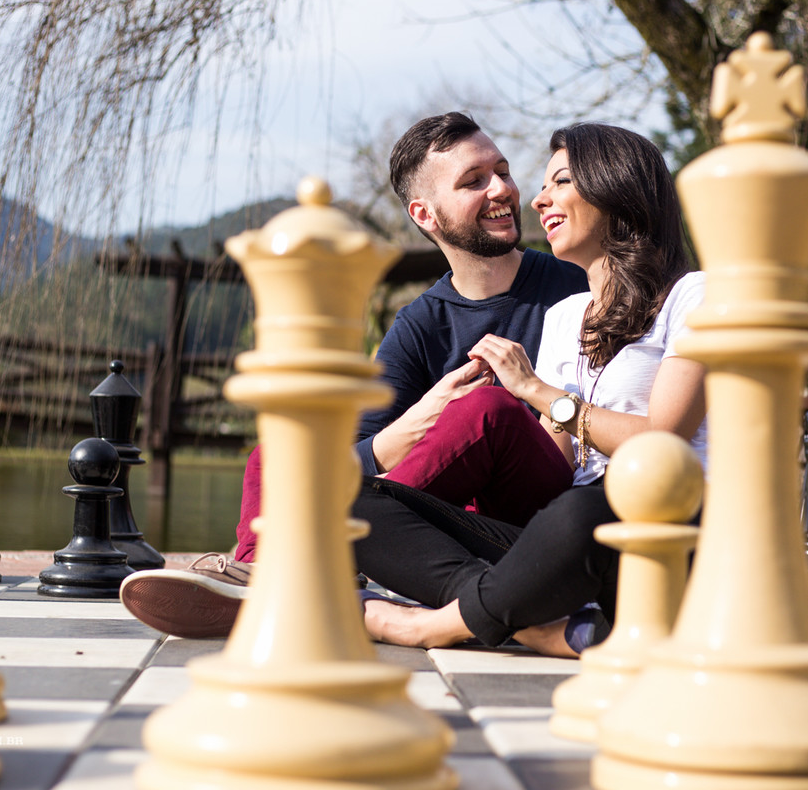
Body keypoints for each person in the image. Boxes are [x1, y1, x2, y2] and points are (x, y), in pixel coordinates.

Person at [119, 112, 587, 638]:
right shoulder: (420, 323)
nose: (501, 188)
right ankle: (261, 569)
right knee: (277, 453)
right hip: (447, 536)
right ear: (425, 214)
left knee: (486, 410)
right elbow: (354, 454)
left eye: (501, 170)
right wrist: (420, 418)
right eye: (473, 180)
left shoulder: (573, 287)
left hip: (543, 520)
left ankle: (301, 566)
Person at [353, 122, 707, 658]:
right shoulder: (567, 317)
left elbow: (662, 447)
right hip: (568, 542)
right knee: (351, 503)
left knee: (580, 514)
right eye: (541, 184)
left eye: (560, 181)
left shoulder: (693, 297)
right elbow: (557, 468)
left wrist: (537, 392)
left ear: (617, 188)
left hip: (658, 531)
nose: (535, 199)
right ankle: (534, 625)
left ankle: (429, 626)